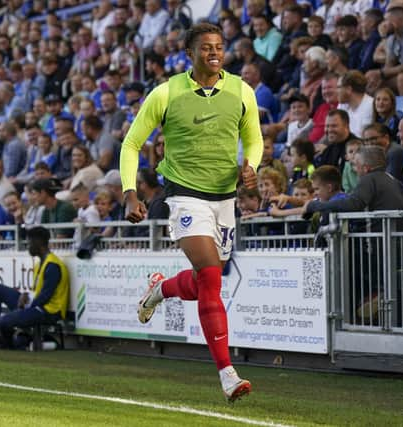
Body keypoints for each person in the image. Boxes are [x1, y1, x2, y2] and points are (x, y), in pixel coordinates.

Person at [120, 23, 263, 402]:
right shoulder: (166, 93)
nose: (214, 53)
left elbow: (254, 138)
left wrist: (252, 165)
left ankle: (161, 289)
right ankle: (228, 374)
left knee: (205, 281)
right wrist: (130, 192)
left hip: (224, 198)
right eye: (205, 48)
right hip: (184, 195)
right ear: (190, 52)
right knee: (212, 278)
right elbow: (132, 143)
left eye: (219, 46)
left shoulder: (241, 90)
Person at [0, 226, 70, 349]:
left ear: (38, 243)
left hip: (49, 312)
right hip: (37, 306)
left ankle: (8, 342)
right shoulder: (40, 264)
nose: (27, 247)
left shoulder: (53, 266)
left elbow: (45, 297)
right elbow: (38, 293)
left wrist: (23, 309)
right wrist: (26, 295)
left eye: (29, 243)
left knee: (5, 321)